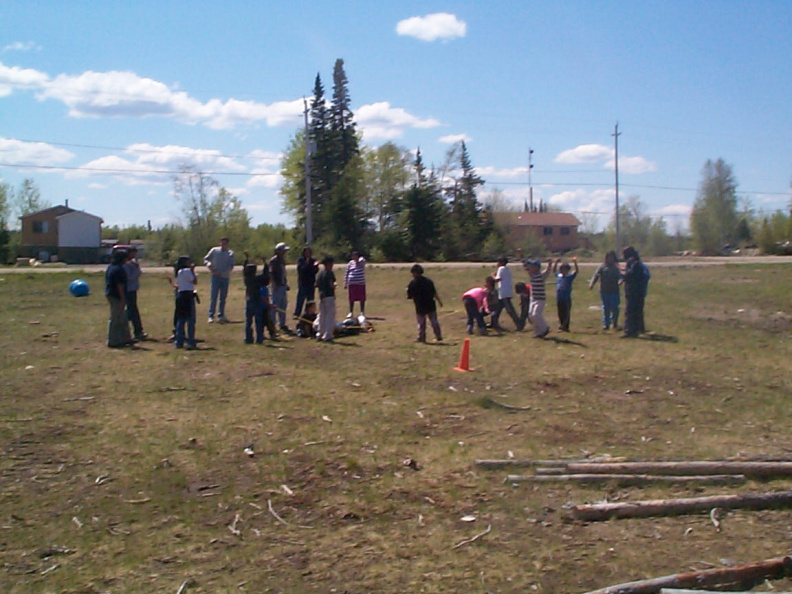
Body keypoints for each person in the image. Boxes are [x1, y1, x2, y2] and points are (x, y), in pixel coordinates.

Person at [406, 264, 443, 343]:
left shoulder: (412, 283)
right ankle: (438, 335)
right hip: (430, 304)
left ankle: (422, 337)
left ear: (415, 273)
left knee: (421, 323)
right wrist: (439, 301)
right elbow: (434, 293)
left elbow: (410, 296)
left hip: (420, 306)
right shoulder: (428, 281)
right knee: (434, 321)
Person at [105, 248, 133, 348]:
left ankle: (125, 338)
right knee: (116, 318)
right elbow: (120, 286)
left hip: (111, 294)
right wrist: (123, 299)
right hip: (116, 296)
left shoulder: (111, 267)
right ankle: (113, 341)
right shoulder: (119, 270)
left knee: (123, 317)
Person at [204, 237, 235, 323]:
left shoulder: (230, 253)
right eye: (222, 243)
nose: (223, 245)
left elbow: (231, 265)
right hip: (215, 277)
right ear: (219, 243)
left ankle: (221, 315)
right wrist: (211, 267)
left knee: (223, 297)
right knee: (214, 296)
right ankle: (211, 316)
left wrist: (225, 272)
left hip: (225, 277)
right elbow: (206, 259)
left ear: (227, 244)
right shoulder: (214, 250)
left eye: (225, 243)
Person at [589, 250, 622, 330]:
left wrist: (621, 280)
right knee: (606, 308)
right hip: (604, 290)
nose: (610, 259)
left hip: (614, 290)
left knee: (615, 308)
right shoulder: (602, 266)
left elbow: (622, 275)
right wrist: (592, 284)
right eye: (609, 257)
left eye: (612, 257)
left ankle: (614, 323)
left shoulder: (617, 267)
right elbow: (596, 275)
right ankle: (606, 324)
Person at [621, 245, 650, 338]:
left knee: (630, 311)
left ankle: (629, 331)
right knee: (638, 310)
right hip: (640, 291)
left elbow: (630, 275)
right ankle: (639, 328)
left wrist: (622, 273)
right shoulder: (639, 263)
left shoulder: (633, 262)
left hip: (633, 291)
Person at [491, 256, 523, 331]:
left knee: (510, 310)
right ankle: (494, 323)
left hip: (503, 293)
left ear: (501, 263)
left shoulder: (501, 269)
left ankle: (519, 324)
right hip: (505, 292)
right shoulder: (507, 270)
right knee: (497, 309)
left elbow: (497, 279)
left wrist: (493, 276)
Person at [123, 246, 147, 341]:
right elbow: (130, 277)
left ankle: (134, 330)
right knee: (132, 311)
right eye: (132, 253)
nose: (134, 255)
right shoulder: (126, 264)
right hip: (128, 290)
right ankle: (138, 332)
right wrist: (136, 269)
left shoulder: (132, 263)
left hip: (132, 289)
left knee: (131, 311)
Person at [174, 255, 198, 349]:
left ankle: (179, 341)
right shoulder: (188, 271)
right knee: (190, 320)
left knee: (181, 319)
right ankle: (191, 341)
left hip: (180, 296)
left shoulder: (179, 272)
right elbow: (194, 281)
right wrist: (193, 271)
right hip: (188, 296)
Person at [525, 258, 553, 338]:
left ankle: (545, 328)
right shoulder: (532, 275)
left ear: (536, 268)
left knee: (536, 314)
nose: (530, 268)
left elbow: (548, 271)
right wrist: (521, 255)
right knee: (531, 315)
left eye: (532, 266)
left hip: (540, 299)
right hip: (533, 298)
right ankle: (538, 331)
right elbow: (525, 265)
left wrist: (549, 264)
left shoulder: (541, 276)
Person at [242, 253, 265, 345]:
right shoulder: (257, 279)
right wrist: (265, 263)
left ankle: (248, 338)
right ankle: (259, 338)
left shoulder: (246, 279)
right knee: (258, 321)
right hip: (257, 301)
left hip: (249, 301)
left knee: (248, 321)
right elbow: (265, 275)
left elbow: (244, 270)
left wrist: (246, 259)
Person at [269, 242, 291, 334]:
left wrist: (286, 283)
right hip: (277, 286)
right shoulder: (273, 261)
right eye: (283, 250)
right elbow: (270, 274)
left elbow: (283, 273)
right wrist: (274, 285)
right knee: (275, 306)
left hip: (282, 285)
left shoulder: (282, 260)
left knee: (283, 305)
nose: (284, 252)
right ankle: (272, 324)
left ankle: (282, 324)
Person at [553, 256, 579, 332]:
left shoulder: (569, 277)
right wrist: (556, 262)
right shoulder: (559, 276)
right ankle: (561, 325)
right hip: (559, 297)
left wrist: (575, 262)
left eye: (565, 269)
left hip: (566, 297)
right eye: (562, 269)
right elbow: (554, 270)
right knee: (560, 311)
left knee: (566, 312)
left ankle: (565, 326)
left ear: (568, 270)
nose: (564, 271)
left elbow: (576, 271)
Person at [315, 255, 337, 343]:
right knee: (330, 316)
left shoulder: (320, 274)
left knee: (322, 316)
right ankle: (328, 335)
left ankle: (320, 333)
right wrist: (334, 286)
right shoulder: (329, 273)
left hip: (322, 297)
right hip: (329, 296)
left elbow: (316, 284)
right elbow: (331, 284)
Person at [294, 246, 319, 319]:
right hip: (303, 283)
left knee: (310, 300)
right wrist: (307, 264)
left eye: (309, 252)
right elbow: (301, 270)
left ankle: (308, 314)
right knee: (300, 299)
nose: (308, 253)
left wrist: (311, 266)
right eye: (306, 252)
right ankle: (297, 313)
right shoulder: (301, 260)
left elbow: (315, 270)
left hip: (311, 283)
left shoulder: (313, 260)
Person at [344, 251, 367, 318]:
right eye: (353, 256)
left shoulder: (361, 262)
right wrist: (345, 283)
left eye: (356, 256)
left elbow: (363, 260)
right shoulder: (350, 263)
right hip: (352, 284)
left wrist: (358, 260)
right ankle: (351, 312)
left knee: (362, 298)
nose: (354, 257)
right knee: (351, 298)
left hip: (360, 283)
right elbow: (347, 273)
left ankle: (362, 312)